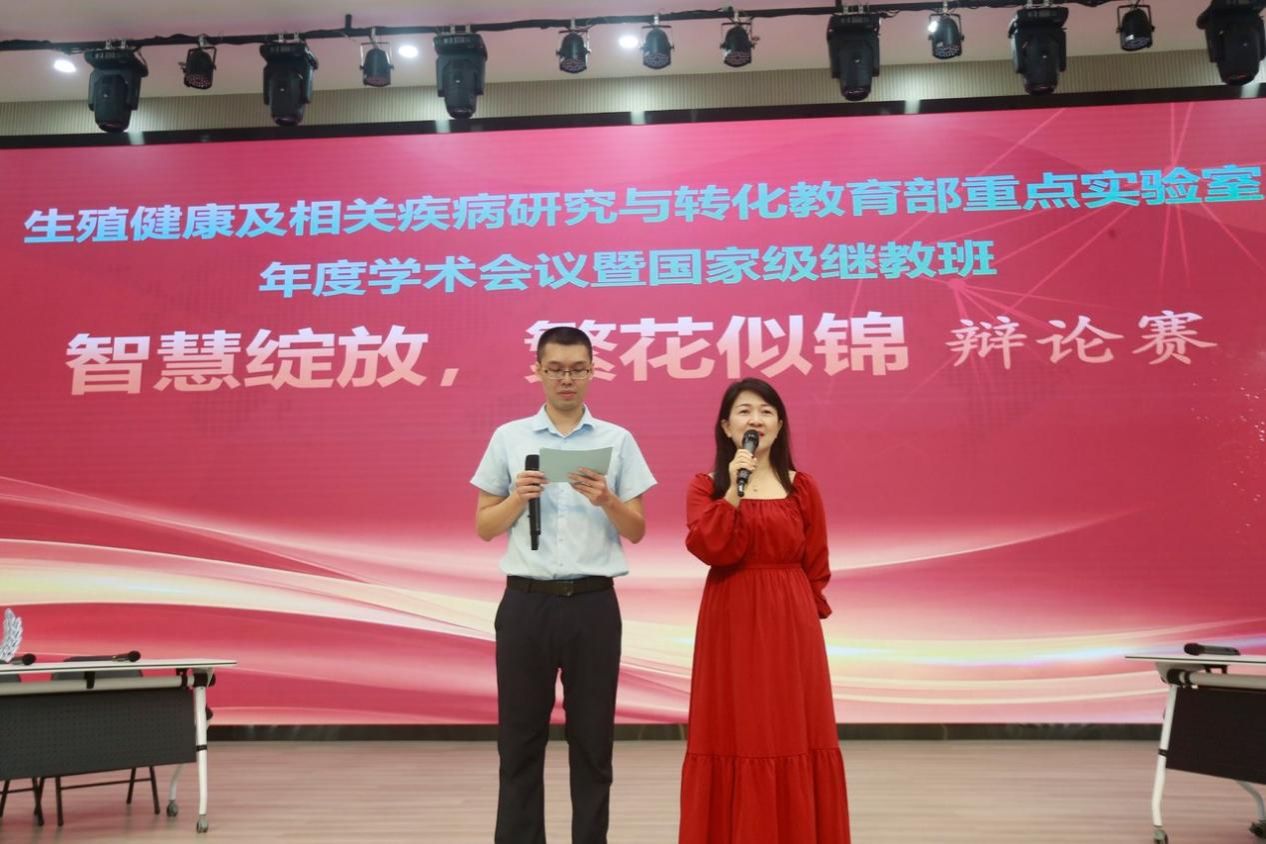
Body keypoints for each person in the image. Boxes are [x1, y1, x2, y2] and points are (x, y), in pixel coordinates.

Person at [471, 325, 656, 844]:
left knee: (593, 743)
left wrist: (606, 499)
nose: (566, 379)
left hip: (593, 606)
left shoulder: (616, 440)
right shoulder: (510, 438)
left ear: (593, 371)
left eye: (577, 369)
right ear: (538, 372)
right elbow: (484, 526)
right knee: (519, 743)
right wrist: (517, 497)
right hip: (526, 604)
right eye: (555, 369)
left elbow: (637, 530)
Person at [679, 377, 850, 844]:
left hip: (792, 623)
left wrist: (801, 619)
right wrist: (735, 489)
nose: (755, 419)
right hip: (730, 620)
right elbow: (711, 547)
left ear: (779, 423)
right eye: (744, 411)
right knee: (738, 731)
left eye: (766, 411)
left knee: (792, 731)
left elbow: (817, 562)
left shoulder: (802, 486)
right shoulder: (706, 486)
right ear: (726, 426)